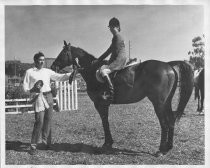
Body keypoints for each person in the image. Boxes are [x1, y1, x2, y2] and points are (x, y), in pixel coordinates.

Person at [23, 52, 72, 155]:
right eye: (40, 60)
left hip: (49, 96)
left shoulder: (47, 71)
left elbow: (60, 77)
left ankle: (46, 143)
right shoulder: (29, 72)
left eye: (43, 60)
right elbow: (25, 88)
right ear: (35, 60)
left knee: (48, 120)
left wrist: (71, 74)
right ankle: (33, 146)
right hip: (38, 97)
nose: (42, 62)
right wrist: (32, 91)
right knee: (39, 121)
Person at [94, 17, 128, 102]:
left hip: (119, 60)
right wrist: (99, 60)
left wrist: (109, 63)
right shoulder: (116, 37)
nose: (110, 30)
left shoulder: (117, 36)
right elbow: (109, 51)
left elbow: (115, 52)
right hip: (119, 58)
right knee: (102, 69)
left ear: (116, 27)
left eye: (112, 27)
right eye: (110, 28)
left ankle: (111, 93)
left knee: (103, 71)